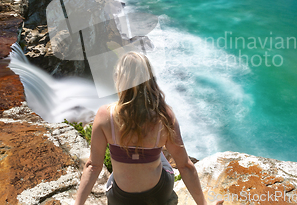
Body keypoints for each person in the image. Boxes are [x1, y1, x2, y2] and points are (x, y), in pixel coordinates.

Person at [74, 51, 223, 205]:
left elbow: (93, 166)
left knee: (114, 175)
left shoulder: (105, 115)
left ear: (119, 78)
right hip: (157, 194)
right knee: (160, 154)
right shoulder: (164, 116)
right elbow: (185, 166)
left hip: (121, 199)